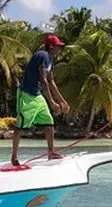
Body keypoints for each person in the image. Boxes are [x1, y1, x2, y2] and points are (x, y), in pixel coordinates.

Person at [11, 34, 70, 166]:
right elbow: (43, 80)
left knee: (49, 123)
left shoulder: (50, 60)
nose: (59, 50)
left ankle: (51, 152)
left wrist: (62, 101)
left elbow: (51, 81)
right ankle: (14, 157)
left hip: (37, 96)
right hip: (27, 94)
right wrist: (52, 103)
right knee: (20, 126)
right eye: (58, 47)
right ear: (51, 46)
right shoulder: (43, 55)